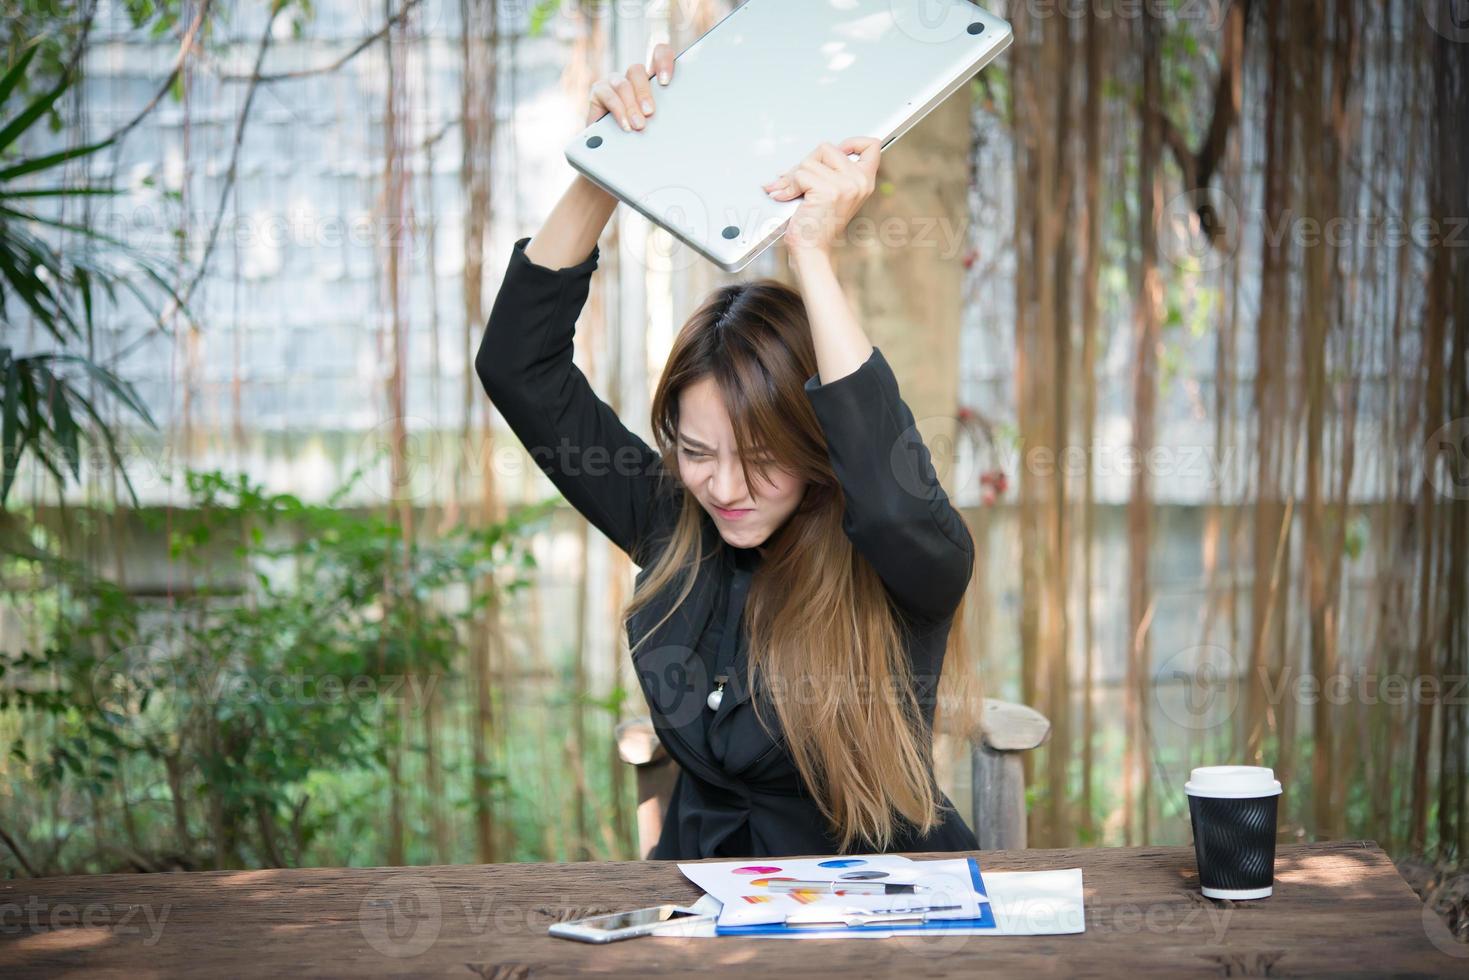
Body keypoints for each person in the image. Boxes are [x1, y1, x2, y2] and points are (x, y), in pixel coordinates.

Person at [477, 43, 981, 859]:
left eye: (760, 456)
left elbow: (889, 498)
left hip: (883, 914)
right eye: (696, 451)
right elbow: (517, 367)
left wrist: (811, 254)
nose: (724, 487)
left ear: (818, 443)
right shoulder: (670, 521)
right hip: (699, 912)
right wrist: (611, 164)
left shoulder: (905, 561)